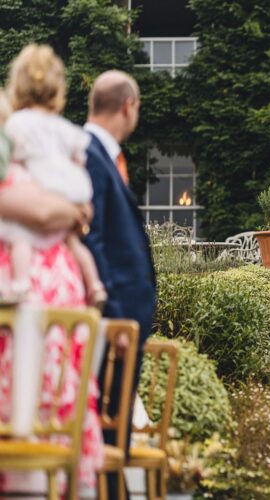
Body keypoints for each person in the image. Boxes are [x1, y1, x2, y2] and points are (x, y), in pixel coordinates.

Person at [0, 78, 103, 494]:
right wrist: (73, 210)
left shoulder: (25, 169)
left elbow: (60, 210)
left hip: (48, 318)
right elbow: (45, 212)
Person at [82, 70, 156, 495]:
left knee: (118, 431)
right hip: (115, 325)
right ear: (128, 105)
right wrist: (112, 312)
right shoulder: (90, 154)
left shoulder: (105, 156)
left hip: (127, 323)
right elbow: (91, 237)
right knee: (109, 433)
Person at [1, 44, 107, 307]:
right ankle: (95, 285)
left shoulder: (17, 126)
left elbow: (13, 163)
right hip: (63, 283)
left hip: (33, 286)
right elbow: (79, 158)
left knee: (20, 237)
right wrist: (76, 207)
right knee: (74, 242)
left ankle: (21, 283)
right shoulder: (65, 128)